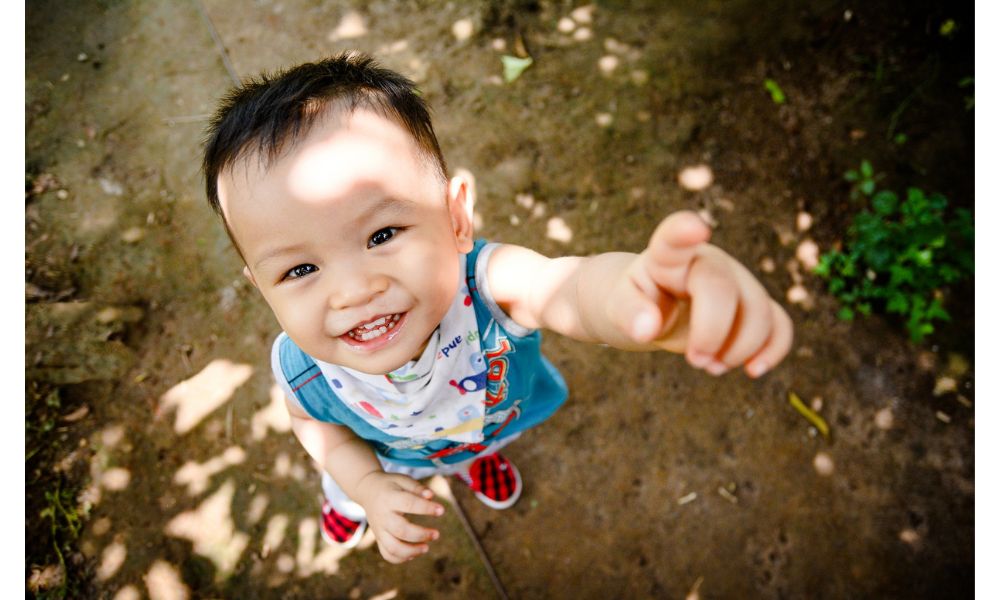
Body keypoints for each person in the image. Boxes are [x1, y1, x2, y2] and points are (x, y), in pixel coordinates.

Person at [202, 53, 793, 564]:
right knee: (354, 486)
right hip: (380, 457)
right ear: (262, 286)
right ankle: (351, 503)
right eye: (300, 269)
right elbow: (316, 424)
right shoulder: (301, 364)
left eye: (381, 235)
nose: (353, 291)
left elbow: (569, 288)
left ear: (456, 218)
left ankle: (468, 463)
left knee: (477, 442)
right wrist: (367, 482)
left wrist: (639, 297)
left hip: (476, 423)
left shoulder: (486, 286)